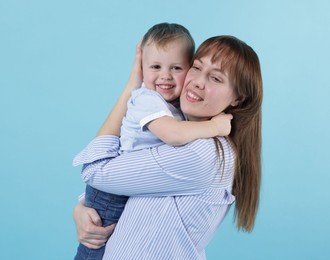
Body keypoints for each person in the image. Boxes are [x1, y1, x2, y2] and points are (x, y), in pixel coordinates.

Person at [73, 35, 263, 259]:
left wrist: (132, 87)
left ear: (238, 98)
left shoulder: (201, 154)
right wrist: (83, 207)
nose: (198, 81)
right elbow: (138, 185)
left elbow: (96, 170)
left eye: (215, 78)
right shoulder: (181, 129)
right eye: (196, 67)